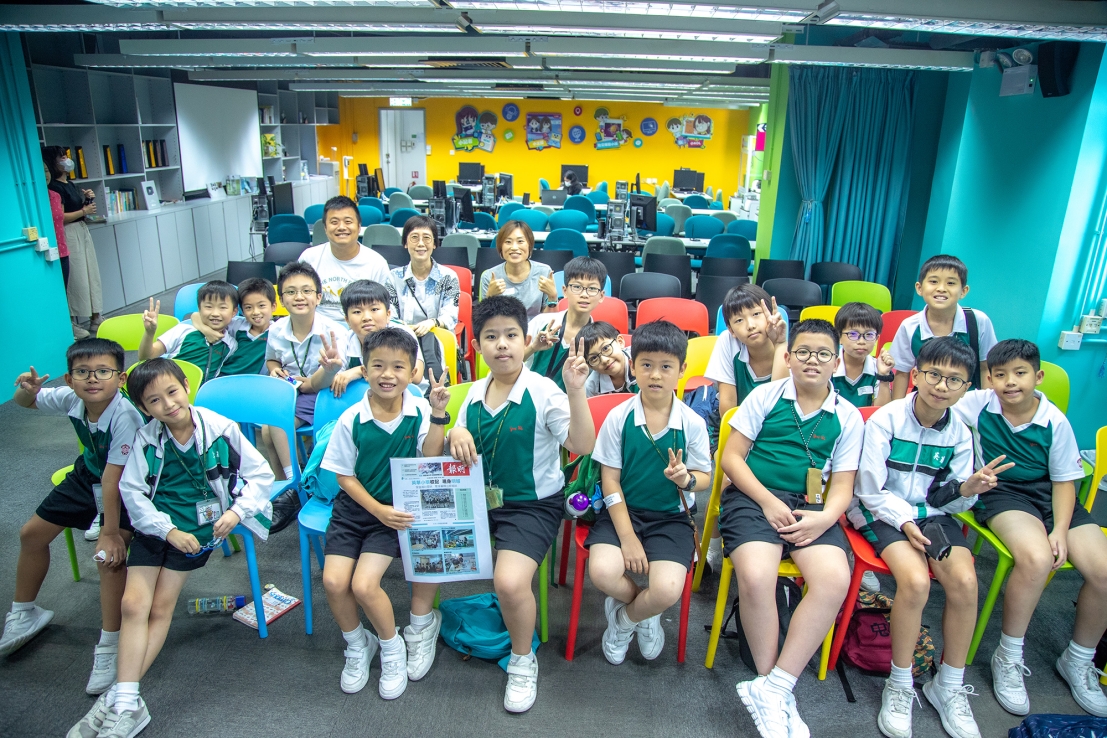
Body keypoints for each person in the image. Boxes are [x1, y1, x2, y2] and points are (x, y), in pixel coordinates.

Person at [66, 359, 274, 738]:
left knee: (161, 607)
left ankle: (119, 698)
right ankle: (127, 700)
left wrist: (237, 512)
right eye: (154, 401)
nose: (168, 404)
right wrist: (167, 530)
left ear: (186, 387)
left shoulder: (220, 428)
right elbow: (132, 492)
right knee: (133, 605)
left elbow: (261, 474)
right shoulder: (147, 438)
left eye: (172, 392)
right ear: (143, 408)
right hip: (156, 528)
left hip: (198, 530)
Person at [848, 337, 1003, 738]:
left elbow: (947, 500)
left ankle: (948, 684)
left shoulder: (962, 433)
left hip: (932, 515)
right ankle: (900, 683)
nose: (941, 386)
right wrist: (904, 522)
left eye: (954, 380)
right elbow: (869, 490)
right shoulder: (886, 420)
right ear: (916, 375)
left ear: (966, 388)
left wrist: (966, 490)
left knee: (965, 582)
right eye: (934, 374)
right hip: (881, 511)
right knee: (915, 582)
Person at [447, 295, 594, 713]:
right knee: (424, 544)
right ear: (476, 345)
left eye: (511, 335)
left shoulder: (543, 391)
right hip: (478, 499)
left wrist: (576, 391)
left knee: (509, 583)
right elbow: (459, 434)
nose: (502, 344)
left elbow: (582, 444)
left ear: (525, 340)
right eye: (491, 337)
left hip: (532, 505)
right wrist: (456, 432)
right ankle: (419, 628)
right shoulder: (475, 391)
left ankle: (522, 658)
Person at [718, 319, 863, 738]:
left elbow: (843, 486)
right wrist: (767, 500)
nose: (812, 360)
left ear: (836, 362)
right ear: (788, 356)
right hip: (753, 497)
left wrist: (825, 517)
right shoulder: (765, 396)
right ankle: (769, 683)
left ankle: (776, 688)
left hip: (811, 507)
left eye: (822, 354)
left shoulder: (848, 416)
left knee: (834, 580)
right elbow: (731, 459)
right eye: (803, 352)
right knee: (756, 575)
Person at [953, 339, 1107, 719]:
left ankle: (1078, 659)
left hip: (1051, 495)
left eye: (1020, 373)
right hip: (1001, 492)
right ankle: (1008, 655)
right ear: (989, 379)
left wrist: (1060, 530)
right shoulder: (976, 404)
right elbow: (931, 404)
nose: (1010, 382)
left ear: (1037, 377)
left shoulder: (1055, 421)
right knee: (1037, 559)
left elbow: (1064, 482)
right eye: (1000, 374)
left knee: (1104, 572)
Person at [3, 339, 142, 698]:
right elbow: (26, 403)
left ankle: (111, 643)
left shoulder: (125, 416)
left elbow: (113, 480)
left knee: (107, 557)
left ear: (120, 378)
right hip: (88, 476)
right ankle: (25, 612)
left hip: (129, 485)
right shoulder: (71, 398)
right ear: (69, 379)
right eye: (82, 372)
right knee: (31, 534)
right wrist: (26, 391)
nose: (92, 379)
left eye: (103, 371)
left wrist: (109, 531)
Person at [320, 328, 450, 699]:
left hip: (393, 514)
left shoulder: (418, 410)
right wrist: (377, 509)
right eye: (377, 366)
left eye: (398, 366)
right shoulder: (352, 418)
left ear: (413, 372)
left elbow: (430, 455)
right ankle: (358, 643)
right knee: (333, 582)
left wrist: (438, 414)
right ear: (364, 369)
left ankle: (391, 647)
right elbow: (344, 477)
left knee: (364, 585)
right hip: (358, 510)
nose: (387, 374)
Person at [585, 321, 711, 664]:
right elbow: (610, 481)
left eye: (666, 367)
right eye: (646, 365)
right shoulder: (618, 417)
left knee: (667, 590)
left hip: (671, 518)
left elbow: (704, 478)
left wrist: (687, 480)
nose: (655, 375)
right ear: (633, 365)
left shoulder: (692, 423)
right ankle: (644, 607)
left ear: (682, 370)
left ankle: (627, 618)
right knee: (602, 572)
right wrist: (627, 538)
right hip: (623, 512)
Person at [702, 283, 789, 572]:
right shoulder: (727, 344)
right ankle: (713, 543)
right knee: (728, 480)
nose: (750, 325)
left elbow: (778, 402)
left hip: (775, 430)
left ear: (770, 314)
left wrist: (780, 344)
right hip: (732, 427)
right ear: (730, 328)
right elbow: (728, 406)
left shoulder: (787, 346)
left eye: (756, 314)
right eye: (739, 320)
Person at [262, 261, 348, 480]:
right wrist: (275, 370)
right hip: (291, 391)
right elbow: (271, 360)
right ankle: (287, 480)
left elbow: (324, 381)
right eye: (291, 292)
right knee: (266, 431)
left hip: (324, 392)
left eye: (306, 291)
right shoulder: (276, 330)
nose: (299, 297)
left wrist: (320, 374)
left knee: (278, 424)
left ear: (318, 297)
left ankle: (293, 480)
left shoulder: (334, 332)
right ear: (282, 300)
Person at [891, 255, 997, 399]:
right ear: (919, 288)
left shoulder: (978, 321)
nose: (941, 289)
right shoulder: (909, 326)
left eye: (951, 283)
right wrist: (898, 409)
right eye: (933, 281)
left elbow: (986, 368)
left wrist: (984, 407)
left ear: (963, 291)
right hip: (926, 400)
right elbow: (902, 373)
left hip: (967, 402)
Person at [386, 214, 460, 384]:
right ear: (405, 243)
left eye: (426, 238)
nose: (420, 243)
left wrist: (432, 323)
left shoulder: (448, 277)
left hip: (437, 338)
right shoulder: (393, 277)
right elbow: (389, 314)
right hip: (401, 339)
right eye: (414, 238)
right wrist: (405, 328)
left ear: (434, 244)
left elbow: (451, 315)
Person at [298, 195, 391, 323]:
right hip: (317, 327)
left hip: (360, 328)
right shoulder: (309, 258)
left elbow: (384, 308)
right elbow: (299, 298)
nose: (341, 227)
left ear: (359, 226)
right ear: (325, 228)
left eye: (348, 221)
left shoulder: (377, 263)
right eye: (334, 222)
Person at [329, 279, 428, 397]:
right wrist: (327, 371)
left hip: (407, 396)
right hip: (363, 397)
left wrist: (359, 371)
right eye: (357, 311)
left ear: (388, 314)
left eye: (374, 309)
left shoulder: (402, 333)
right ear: (347, 320)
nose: (366, 317)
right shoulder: (346, 339)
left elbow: (416, 376)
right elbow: (334, 379)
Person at [43, 146, 102, 338]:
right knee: (77, 279)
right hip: (68, 234)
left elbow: (77, 210)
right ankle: (74, 322)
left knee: (90, 273)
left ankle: (96, 317)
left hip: (81, 230)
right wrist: (83, 211)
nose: (66, 160)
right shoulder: (54, 188)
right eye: (61, 157)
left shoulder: (69, 183)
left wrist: (87, 201)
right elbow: (60, 217)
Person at [525, 256, 608, 391]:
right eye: (577, 287)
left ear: (601, 296)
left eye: (592, 288)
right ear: (564, 291)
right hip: (528, 396)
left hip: (569, 402)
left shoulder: (599, 340)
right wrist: (533, 347)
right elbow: (511, 360)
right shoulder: (541, 322)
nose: (584, 294)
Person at [139, 281, 239, 383]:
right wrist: (149, 333)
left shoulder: (231, 345)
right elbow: (146, 357)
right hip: (172, 388)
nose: (215, 313)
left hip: (203, 391)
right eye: (208, 307)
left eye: (222, 307)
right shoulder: (183, 331)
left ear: (234, 312)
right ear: (199, 309)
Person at [478, 221, 557, 320]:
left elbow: (550, 320)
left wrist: (552, 297)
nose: (514, 247)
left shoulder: (544, 272)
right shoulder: (489, 277)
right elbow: (484, 322)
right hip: (502, 328)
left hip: (535, 329)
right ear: (501, 247)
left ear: (529, 245)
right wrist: (490, 297)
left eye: (520, 241)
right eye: (508, 242)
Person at [833, 302, 896, 408]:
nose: (861, 341)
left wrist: (883, 376)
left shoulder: (877, 367)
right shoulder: (828, 365)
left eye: (869, 334)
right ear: (839, 337)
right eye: (853, 334)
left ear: (876, 338)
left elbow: (882, 412)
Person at [215, 278, 276, 376]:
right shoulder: (237, 325)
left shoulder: (277, 331)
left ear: (273, 306)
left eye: (261, 305)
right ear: (242, 311)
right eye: (248, 307)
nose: (255, 312)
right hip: (224, 377)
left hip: (255, 381)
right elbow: (199, 318)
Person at [579, 321, 636, 397]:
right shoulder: (592, 387)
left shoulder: (642, 363)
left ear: (620, 342)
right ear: (590, 366)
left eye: (605, 348)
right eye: (594, 358)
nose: (604, 360)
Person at [43, 161, 71, 308]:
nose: (45, 175)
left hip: (62, 250)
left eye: (46, 170)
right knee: (49, 295)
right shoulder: (34, 199)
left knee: (63, 293)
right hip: (44, 253)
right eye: (41, 171)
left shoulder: (55, 196)